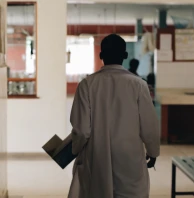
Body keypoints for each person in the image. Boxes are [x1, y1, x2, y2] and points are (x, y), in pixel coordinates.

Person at [68, 34, 160, 198]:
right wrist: (153, 151)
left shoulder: (86, 85)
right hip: (129, 156)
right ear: (125, 55)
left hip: (96, 156)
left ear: (101, 55)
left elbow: (81, 130)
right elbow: (149, 125)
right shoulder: (138, 85)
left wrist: (74, 150)